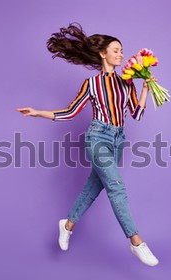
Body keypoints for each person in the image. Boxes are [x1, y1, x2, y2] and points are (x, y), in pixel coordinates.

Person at [16, 22, 159, 266]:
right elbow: (71, 112)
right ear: (103, 53)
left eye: (122, 51)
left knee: (94, 187)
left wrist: (145, 87)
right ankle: (136, 241)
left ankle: (67, 224)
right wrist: (38, 112)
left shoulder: (127, 82)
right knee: (116, 187)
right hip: (98, 137)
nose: (121, 54)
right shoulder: (91, 84)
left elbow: (136, 113)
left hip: (117, 140)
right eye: (116, 50)